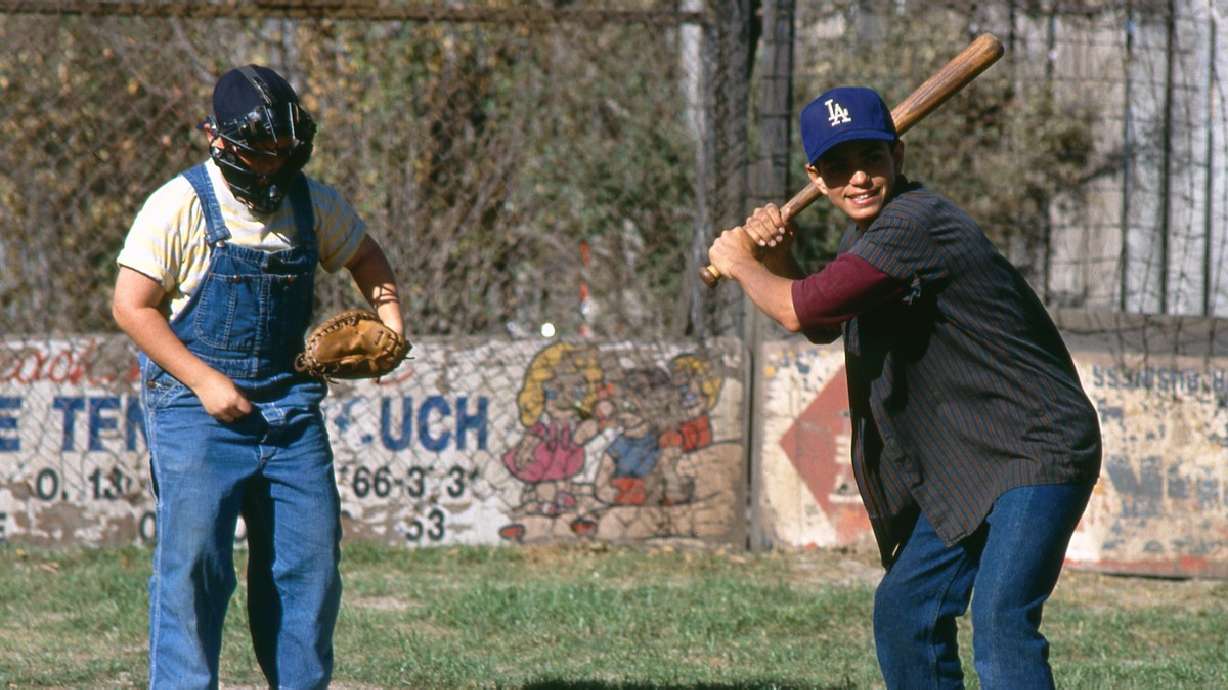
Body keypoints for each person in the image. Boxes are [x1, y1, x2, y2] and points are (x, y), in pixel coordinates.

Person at [707, 86, 1101, 689]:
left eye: (872, 158)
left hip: (1035, 447)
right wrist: (781, 259)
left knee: (1000, 620)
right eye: (839, 166)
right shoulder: (864, 238)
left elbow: (797, 310)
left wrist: (741, 263)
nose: (859, 178)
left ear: (899, 156)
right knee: (906, 611)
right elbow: (818, 321)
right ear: (816, 175)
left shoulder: (919, 223)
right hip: (968, 462)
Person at [112, 64, 404, 690]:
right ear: (219, 141)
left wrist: (392, 323)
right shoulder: (179, 204)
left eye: (285, 152)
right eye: (260, 153)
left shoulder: (313, 201)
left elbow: (366, 255)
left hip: (288, 406)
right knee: (196, 565)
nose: (274, 165)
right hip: (195, 406)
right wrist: (204, 381)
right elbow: (131, 307)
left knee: (310, 566)